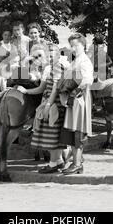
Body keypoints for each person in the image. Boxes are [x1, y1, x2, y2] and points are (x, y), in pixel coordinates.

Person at [18, 44, 68, 173]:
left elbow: (55, 89)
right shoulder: (48, 69)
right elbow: (41, 88)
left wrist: (47, 105)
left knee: (52, 135)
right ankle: (58, 161)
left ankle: (53, 164)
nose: (51, 57)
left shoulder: (58, 68)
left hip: (54, 104)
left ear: (58, 54)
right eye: (49, 54)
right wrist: (26, 91)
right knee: (50, 134)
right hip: (47, 101)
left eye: (53, 54)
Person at [60, 33, 94, 175]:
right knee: (71, 131)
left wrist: (73, 94)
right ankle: (76, 162)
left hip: (79, 98)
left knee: (78, 131)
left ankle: (77, 164)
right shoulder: (75, 61)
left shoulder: (84, 61)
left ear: (83, 45)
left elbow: (87, 80)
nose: (73, 48)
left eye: (76, 45)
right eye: (71, 46)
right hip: (72, 98)